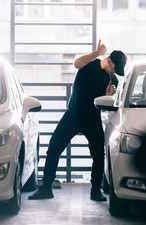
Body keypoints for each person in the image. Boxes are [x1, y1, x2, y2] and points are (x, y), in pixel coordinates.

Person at [28, 40, 127, 201]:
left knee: (98, 155)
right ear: (109, 60)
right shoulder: (89, 64)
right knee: (53, 149)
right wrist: (96, 52)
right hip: (72, 116)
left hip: (92, 119)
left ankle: (95, 190)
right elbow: (76, 63)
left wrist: (108, 95)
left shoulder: (112, 81)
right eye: (114, 68)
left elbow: (103, 102)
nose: (114, 72)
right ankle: (46, 188)